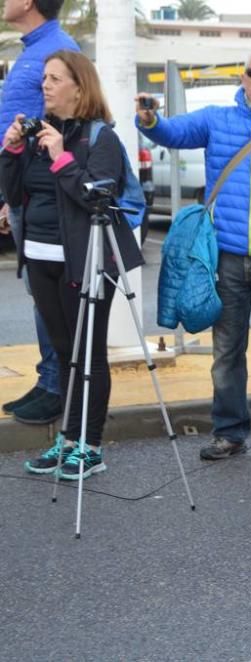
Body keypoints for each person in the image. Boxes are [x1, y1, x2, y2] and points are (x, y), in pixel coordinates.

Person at [136, 49, 251, 462]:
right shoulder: (217, 121)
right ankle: (229, 432)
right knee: (226, 354)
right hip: (225, 260)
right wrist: (150, 120)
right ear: (244, 78)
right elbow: (172, 132)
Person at [0, 50, 143, 478]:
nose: (45, 85)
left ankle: (91, 446)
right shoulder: (37, 134)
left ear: (78, 88)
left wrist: (62, 157)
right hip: (40, 258)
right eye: (44, 77)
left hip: (85, 260)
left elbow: (96, 196)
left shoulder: (100, 139)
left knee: (89, 355)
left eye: (54, 78)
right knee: (63, 353)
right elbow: (14, 191)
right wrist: (10, 152)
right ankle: (67, 440)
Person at [0, 0, 78, 426]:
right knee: (38, 293)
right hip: (21, 190)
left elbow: (72, 120)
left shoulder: (58, 49)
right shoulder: (33, 49)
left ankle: (57, 386)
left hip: (43, 195)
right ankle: (48, 378)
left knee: (49, 294)